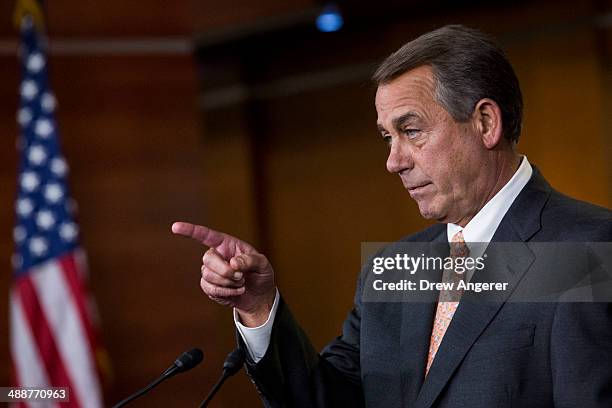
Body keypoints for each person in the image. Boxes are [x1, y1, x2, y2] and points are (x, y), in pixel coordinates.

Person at [172, 25, 612, 407]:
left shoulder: (586, 250)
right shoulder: (392, 268)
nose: (393, 161)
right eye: (387, 136)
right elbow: (326, 400)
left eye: (411, 130)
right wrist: (258, 307)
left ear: (484, 122)